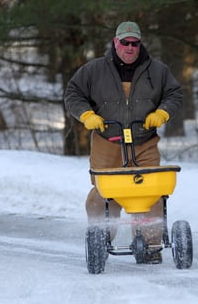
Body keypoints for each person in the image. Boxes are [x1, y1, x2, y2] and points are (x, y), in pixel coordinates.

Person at [64, 21, 183, 264]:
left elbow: (174, 94)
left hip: (144, 140)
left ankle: (150, 246)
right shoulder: (94, 70)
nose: (130, 48)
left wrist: (162, 113)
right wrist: (87, 115)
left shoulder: (157, 71)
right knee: (105, 193)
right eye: (125, 43)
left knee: (151, 192)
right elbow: (73, 93)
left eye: (135, 43)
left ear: (140, 44)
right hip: (107, 140)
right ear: (115, 42)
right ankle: (101, 238)